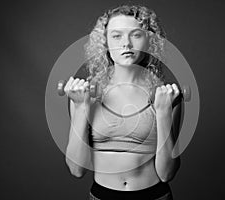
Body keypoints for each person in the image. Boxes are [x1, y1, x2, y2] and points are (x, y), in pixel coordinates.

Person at [64, 4, 182, 200]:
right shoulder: (85, 94)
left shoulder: (165, 95)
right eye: (116, 36)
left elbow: (167, 173)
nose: (126, 44)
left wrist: (162, 113)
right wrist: (81, 107)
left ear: (149, 41)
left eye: (136, 35)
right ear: (105, 43)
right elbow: (76, 169)